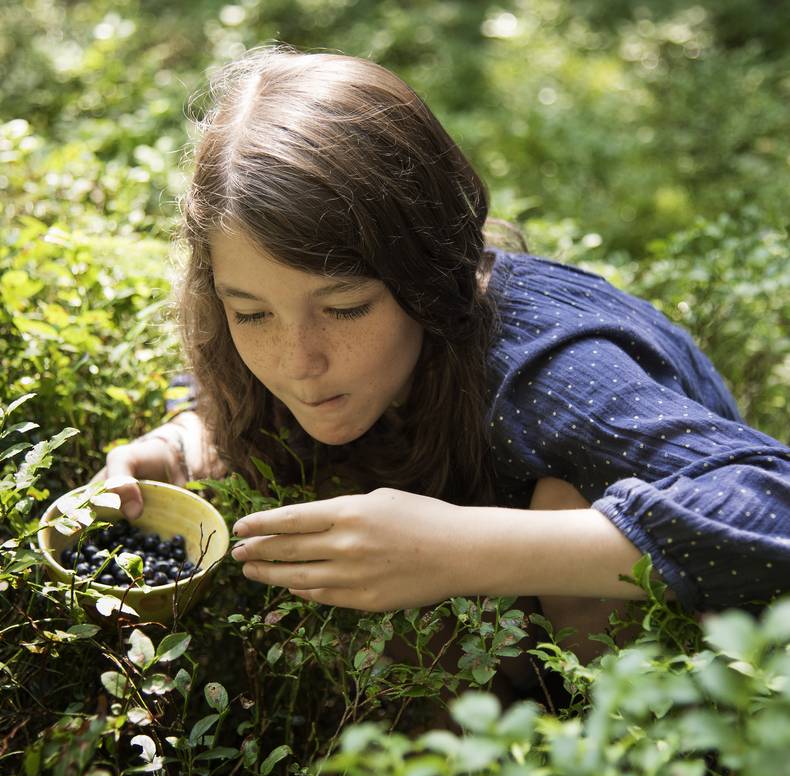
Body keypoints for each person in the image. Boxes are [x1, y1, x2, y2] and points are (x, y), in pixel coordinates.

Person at [94, 44, 790, 669]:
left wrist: (455, 550)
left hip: (698, 667)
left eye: (343, 308)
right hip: (499, 646)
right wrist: (189, 434)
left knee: (561, 503)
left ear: (425, 275)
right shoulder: (286, 348)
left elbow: (772, 508)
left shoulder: (547, 369)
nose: (297, 360)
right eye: (251, 313)